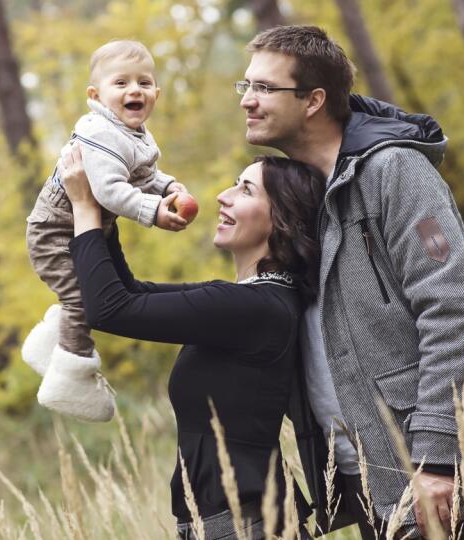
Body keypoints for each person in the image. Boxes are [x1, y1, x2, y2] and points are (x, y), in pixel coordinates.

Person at [238, 25, 464, 538]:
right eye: (244, 87)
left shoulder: (395, 172)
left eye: (264, 88)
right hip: (377, 486)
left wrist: (439, 458)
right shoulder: (312, 196)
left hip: (442, 481)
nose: (247, 100)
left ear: (313, 100)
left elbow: (454, 310)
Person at [60, 144, 325, 539]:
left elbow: (110, 309)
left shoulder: (253, 308)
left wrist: (83, 208)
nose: (223, 195)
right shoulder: (253, 300)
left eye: (246, 191)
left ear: (281, 219)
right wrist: (105, 211)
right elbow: (130, 293)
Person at [22, 40, 190, 422]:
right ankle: (72, 378)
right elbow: (109, 191)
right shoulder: (100, 134)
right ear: (96, 95)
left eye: (144, 83)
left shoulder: (134, 133)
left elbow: (144, 174)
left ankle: (50, 348)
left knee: (93, 296)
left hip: (84, 230)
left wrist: (167, 187)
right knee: (83, 299)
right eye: (122, 83)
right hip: (54, 233)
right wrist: (154, 213)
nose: (135, 90)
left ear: (157, 94)